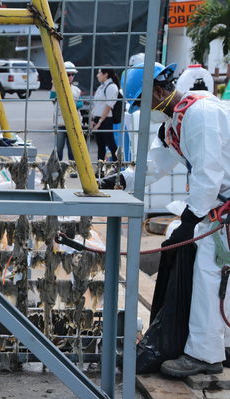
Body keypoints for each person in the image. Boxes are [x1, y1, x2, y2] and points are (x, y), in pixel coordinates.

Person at [101, 62, 230, 377]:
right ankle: (220, 345)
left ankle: (204, 355)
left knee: (208, 277)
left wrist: (191, 218)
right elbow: (156, 163)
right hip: (218, 206)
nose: (142, 111)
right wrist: (122, 180)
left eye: (142, 103)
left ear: (159, 92)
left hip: (219, 206)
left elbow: (209, 172)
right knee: (219, 279)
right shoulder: (177, 123)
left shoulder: (201, 114)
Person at [51, 61, 82, 172]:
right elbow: (52, 98)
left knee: (72, 149)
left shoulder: (76, 90)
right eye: (68, 74)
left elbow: (80, 103)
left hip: (73, 123)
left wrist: (73, 104)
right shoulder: (57, 87)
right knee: (58, 149)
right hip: (60, 123)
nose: (70, 77)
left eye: (72, 75)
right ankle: (57, 170)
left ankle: (72, 170)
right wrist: (54, 84)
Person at [91, 67, 119, 169]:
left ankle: (118, 168)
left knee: (111, 145)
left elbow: (108, 106)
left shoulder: (112, 87)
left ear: (105, 74)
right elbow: (96, 105)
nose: (97, 75)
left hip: (106, 119)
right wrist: (93, 120)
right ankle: (100, 169)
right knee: (101, 146)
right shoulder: (102, 87)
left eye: (99, 73)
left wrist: (100, 122)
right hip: (98, 118)